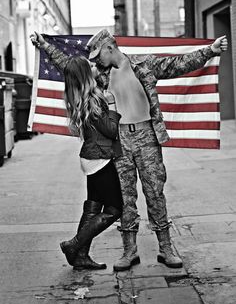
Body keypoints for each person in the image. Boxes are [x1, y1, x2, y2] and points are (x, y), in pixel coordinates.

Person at [31, 31, 228, 272]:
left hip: (146, 136)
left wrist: (211, 50)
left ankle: (166, 248)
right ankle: (129, 250)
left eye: (97, 54)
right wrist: (45, 46)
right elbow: (72, 69)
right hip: (119, 139)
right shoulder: (99, 75)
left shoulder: (144, 64)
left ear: (109, 48)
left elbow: (178, 65)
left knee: (155, 191)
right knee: (125, 196)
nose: (95, 60)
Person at [31, 34, 123, 270]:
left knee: (93, 205)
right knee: (114, 209)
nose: (94, 65)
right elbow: (111, 131)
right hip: (99, 159)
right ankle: (74, 244)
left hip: (91, 157)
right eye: (90, 65)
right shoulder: (95, 100)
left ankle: (80, 256)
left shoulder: (79, 97)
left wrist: (45, 46)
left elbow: (68, 67)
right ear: (85, 74)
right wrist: (111, 105)